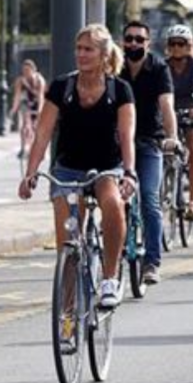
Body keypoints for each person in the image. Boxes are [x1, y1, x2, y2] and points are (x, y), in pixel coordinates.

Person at [19, 25, 136, 310]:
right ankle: (68, 315)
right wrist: (30, 173)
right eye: (78, 48)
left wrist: (129, 172)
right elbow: (43, 133)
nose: (81, 54)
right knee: (68, 242)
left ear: (104, 55)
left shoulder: (119, 90)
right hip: (68, 169)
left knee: (112, 203)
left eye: (88, 49)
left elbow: (126, 135)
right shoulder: (62, 86)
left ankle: (109, 278)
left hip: (106, 168)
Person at [118, 21, 179, 286]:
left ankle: (152, 262)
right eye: (129, 39)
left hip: (148, 141)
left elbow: (166, 105)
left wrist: (172, 138)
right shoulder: (115, 66)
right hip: (118, 142)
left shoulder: (158, 68)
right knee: (114, 199)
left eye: (138, 40)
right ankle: (114, 247)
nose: (133, 44)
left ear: (148, 42)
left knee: (150, 200)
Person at [162, 25, 193, 225]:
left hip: (191, 111)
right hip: (169, 113)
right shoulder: (163, 66)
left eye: (181, 44)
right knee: (164, 151)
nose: (177, 48)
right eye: (173, 44)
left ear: (189, 46)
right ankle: (164, 189)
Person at [9, 59, 46, 160]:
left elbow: (41, 96)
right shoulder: (20, 81)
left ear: (34, 70)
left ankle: (36, 149)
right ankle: (23, 148)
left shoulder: (40, 80)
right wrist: (13, 109)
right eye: (24, 70)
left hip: (37, 103)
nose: (26, 73)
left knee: (36, 127)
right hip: (26, 103)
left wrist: (40, 110)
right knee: (26, 125)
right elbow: (17, 96)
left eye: (28, 70)